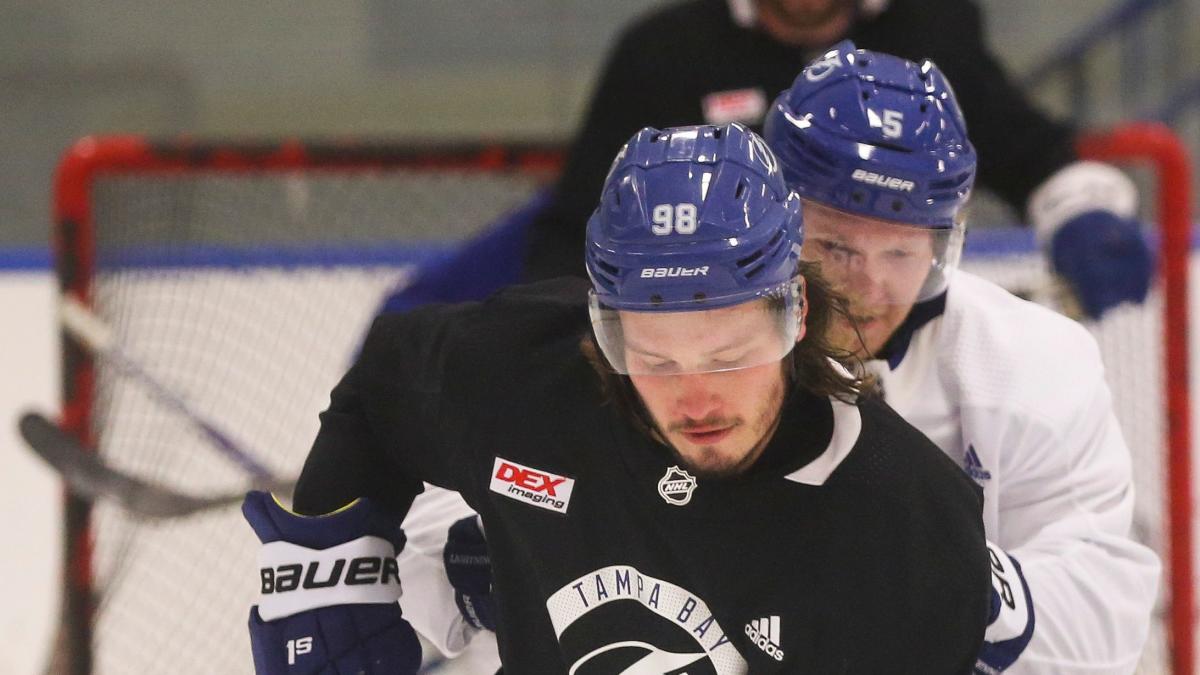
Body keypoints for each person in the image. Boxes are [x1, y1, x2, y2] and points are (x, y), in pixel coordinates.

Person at [432, 44, 1163, 673]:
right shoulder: (659, 339)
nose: (868, 286)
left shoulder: (1030, 367)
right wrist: (471, 557)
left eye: (903, 251)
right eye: (836, 245)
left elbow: (1107, 623)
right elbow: (440, 514)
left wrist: (953, 579)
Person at [242, 122, 993, 673]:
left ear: (796, 312)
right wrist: (326, 563)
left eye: (730, 357)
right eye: (655, 357)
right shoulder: (525, 374)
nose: (695, 398)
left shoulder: (908, 531)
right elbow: (383, 390)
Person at [524, 0, 1153, 322]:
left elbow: (1021, 146)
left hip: (890, 329)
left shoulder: (931, 25)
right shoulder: (664, 50)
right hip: (722, 338)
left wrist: (1084, 213)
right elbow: (583, 219)